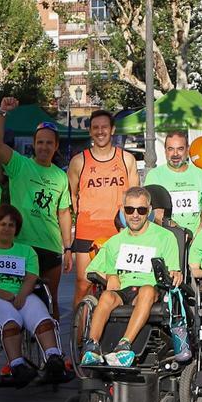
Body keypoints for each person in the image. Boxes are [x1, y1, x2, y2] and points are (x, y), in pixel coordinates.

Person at [79, 187, 182, 367]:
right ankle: (92, 346)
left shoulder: (165, 237)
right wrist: (110, 275)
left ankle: (124, 344)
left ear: (148, 211)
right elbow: (94, 271)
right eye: (130, 210)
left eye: (141, 210)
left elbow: (174, 269)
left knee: (147, 290)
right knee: (106, 296)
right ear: (122, 210)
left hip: (150, 290)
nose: (135, 215)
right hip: (124, 290)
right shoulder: (114, 242)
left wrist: (175, 273)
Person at [0, 98, 72, 317]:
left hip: (51, 247)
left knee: (52, 300)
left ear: (56, 146)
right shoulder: (20, 165)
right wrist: (2, 113)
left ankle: (53, 349)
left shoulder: (61, 176)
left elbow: (63, 213)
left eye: (49, 143)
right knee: (20, 298)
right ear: (34, 145)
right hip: (23, 245)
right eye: (40, 142)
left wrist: (68, 248)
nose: (44, 147)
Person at [0, 204, 70, 386]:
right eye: (3, 224)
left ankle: (54, 359)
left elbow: (31, 277)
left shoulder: (26, 251)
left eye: (11, 225)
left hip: (22, 294)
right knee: (11, 320)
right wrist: (4, 293)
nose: (7, 228)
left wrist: (22, 295)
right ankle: (17, 366)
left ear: (16, 229)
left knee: (43, 319)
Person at [68, 108, 138, 303]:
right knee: (84, 284)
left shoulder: (127, 159)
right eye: (96, 128)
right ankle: (79, 332)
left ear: (112, 130)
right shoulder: (79, 161)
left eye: (104, 127)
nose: (100, 131)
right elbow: (72, 197)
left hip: (118, 232)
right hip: (87, 231)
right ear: (90, 131)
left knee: (118, 284)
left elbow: (135, 197)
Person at [144, 131, 202, 236]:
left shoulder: (200, 175)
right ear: (165, 151)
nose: (175, 154)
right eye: (170, 149)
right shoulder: (154, 175)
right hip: (166, 239)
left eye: (180, 149)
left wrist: (199, 232)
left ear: (187, 150)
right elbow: (153, 212)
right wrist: (179, 233)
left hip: (195, 240)